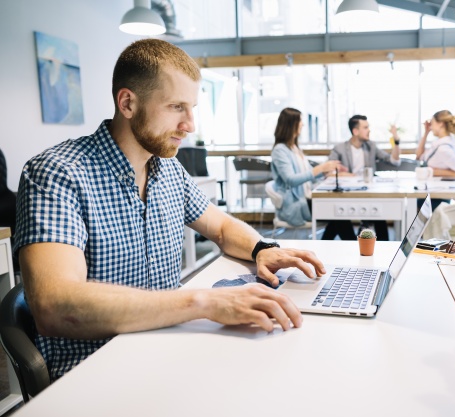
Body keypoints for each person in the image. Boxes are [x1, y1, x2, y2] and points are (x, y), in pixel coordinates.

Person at [14, 39, 326, 382]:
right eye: (177, 107)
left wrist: (262, 249)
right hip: (94, 372)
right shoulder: (56, 173)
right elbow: (55, 306)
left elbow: (221, 227)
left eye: (191, 108)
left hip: (168, 348)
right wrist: (205, 302)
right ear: (128, 103)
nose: (190, 124)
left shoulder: (167, 170)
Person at [325, 115, 401, 241]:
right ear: (355, 131)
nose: (369, 130)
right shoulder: (340, 149)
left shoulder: (370, 146)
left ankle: (385, 250)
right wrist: (351, 175)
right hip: (347, 196)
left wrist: (396, 140)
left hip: (369, 193)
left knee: (379, 216)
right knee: (338, 219)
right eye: (365, 127)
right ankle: (351, 244)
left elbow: (395, 161)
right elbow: (328, 172)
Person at [270, 107, 347, 228]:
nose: (303, 124)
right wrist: (320, 168)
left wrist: (327, 170)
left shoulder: (295, 149)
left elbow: (309, 175)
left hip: (307, 200)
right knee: (338, 215)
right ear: (292, 124)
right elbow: (291, 180)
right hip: (296, 205)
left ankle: (326, 244)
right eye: (300, 121)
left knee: (339, 215)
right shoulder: (280, 150)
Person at [415, 110, 455, 178]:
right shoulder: (439, 144)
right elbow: (419, 156)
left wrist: (432, 171)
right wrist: (426, 132)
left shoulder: (444, 149)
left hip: (439, 187)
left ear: (441, 124)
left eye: (432, 123)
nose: (431, 127)